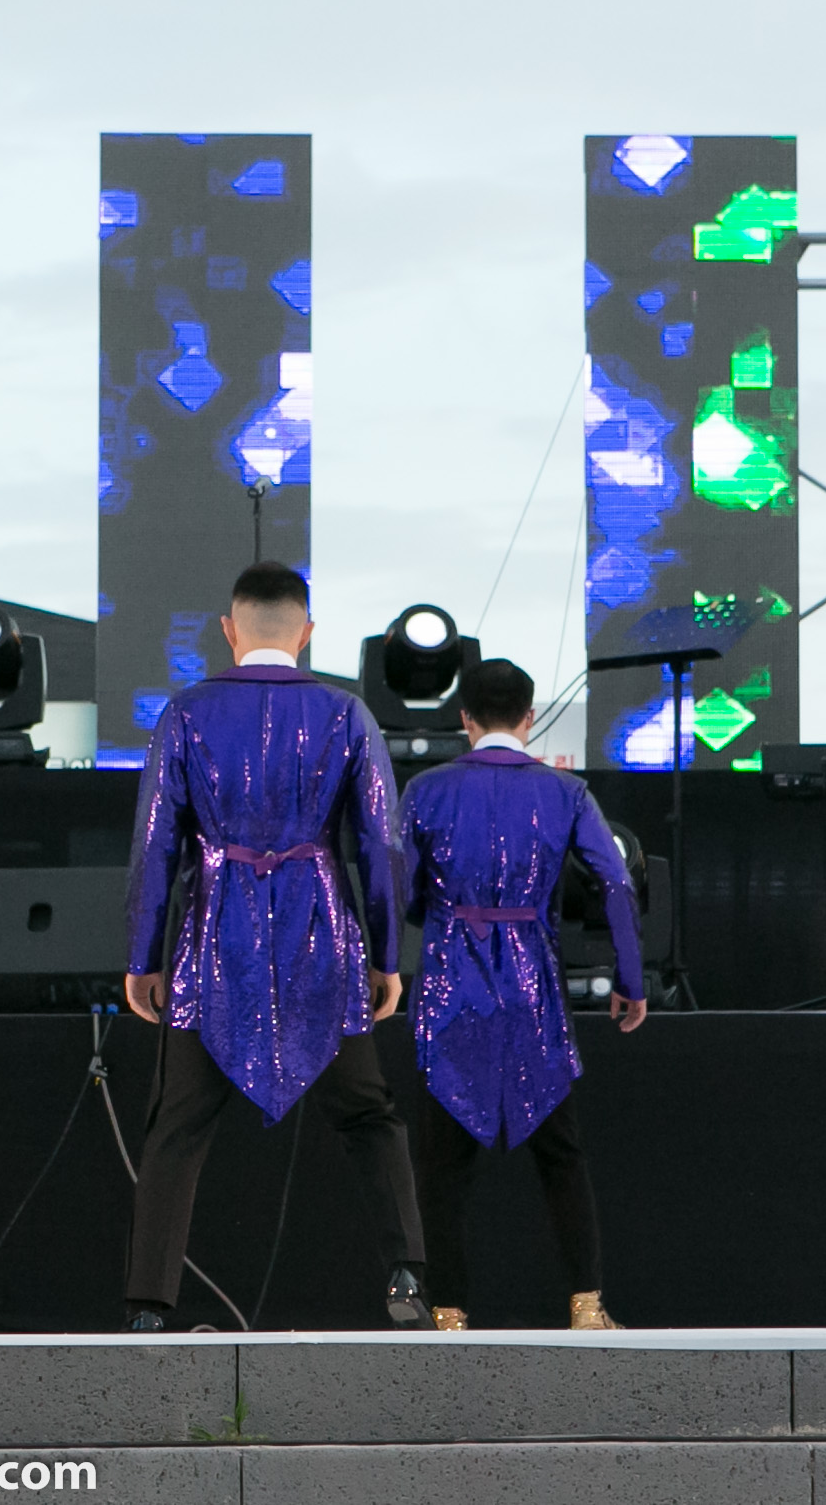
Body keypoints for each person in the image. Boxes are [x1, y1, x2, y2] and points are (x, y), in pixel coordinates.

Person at [120, 560, 428, 1330]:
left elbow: (153, 844)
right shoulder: (346, 712)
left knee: (177, 1124)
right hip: (321, 939)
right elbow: (382, 845)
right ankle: (407, 1276)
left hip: (212, 943)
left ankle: (148, 1307)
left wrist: (142, 956)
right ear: (307, 631)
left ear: (229, 630)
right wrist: (386, 956)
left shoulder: (185, 712)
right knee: (368, 1112)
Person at [401, 658, 646, 1331]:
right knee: (560, 1153)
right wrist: (630, 977)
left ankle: (448, 1314)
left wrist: (433, 922)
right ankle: (587, 1306)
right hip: (532, 989)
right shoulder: (565, 791)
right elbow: (616, 881)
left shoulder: (425, 790)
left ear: (464, 718)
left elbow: (398, 888)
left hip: (451, 989)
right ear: (530, 717)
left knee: (443, 1164)